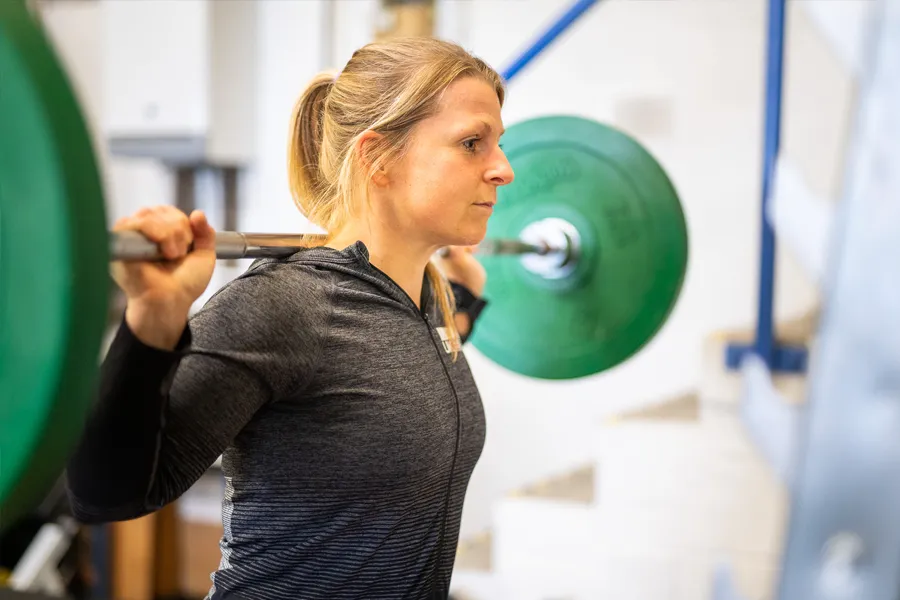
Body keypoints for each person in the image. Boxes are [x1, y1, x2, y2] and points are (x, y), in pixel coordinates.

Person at [65, 36, 514, 600]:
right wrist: (155, 315)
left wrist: (464, 302)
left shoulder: (429, 298)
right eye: (472, 143)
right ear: (378, 158)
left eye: (498, 145)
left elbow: (396, 376)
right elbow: (104, 493)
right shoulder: (286, 306)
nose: (503, 169)